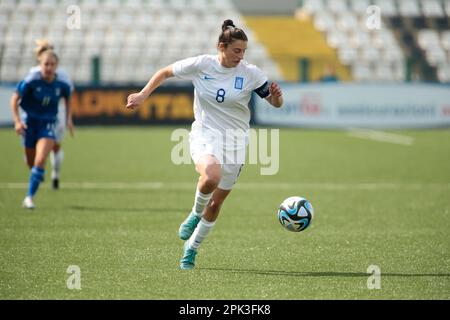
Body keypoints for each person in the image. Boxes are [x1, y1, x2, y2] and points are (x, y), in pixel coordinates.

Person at [126, 19, 283, 269]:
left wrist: (276, 98)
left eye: (244, 51)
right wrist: (143, 94)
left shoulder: (251, 73)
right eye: (236, 51)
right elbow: (165, 72)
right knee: (211, 177)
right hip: (205, 133)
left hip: (236, 141)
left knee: (216, 202)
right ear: (222, 46)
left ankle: (191, 250)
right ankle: (193, 215)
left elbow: (274, 104)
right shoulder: (202, 64)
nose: (240, 56)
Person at [10, 46, 73, 209]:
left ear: (56, 66)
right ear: (40, 64)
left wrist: (68, 119)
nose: (49, 67)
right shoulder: (31, 81)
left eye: (52, 64)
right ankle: (37, 173)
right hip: (29, 124)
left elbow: (68, 99)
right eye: (46, 64)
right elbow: (14, 99)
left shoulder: (61, 85)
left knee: (40, 159)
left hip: (48, 124)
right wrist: (17, 121)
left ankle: (29, 197)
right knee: (32, 163)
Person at [28, 40, 75, 189]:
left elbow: (68, 96)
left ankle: (45, 172)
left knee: (42, 146)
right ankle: (53, 173)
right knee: (54, 147)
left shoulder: (34, 72)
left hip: (50, 114)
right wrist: (68, 118)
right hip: (50, 114)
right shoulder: (38, 74)